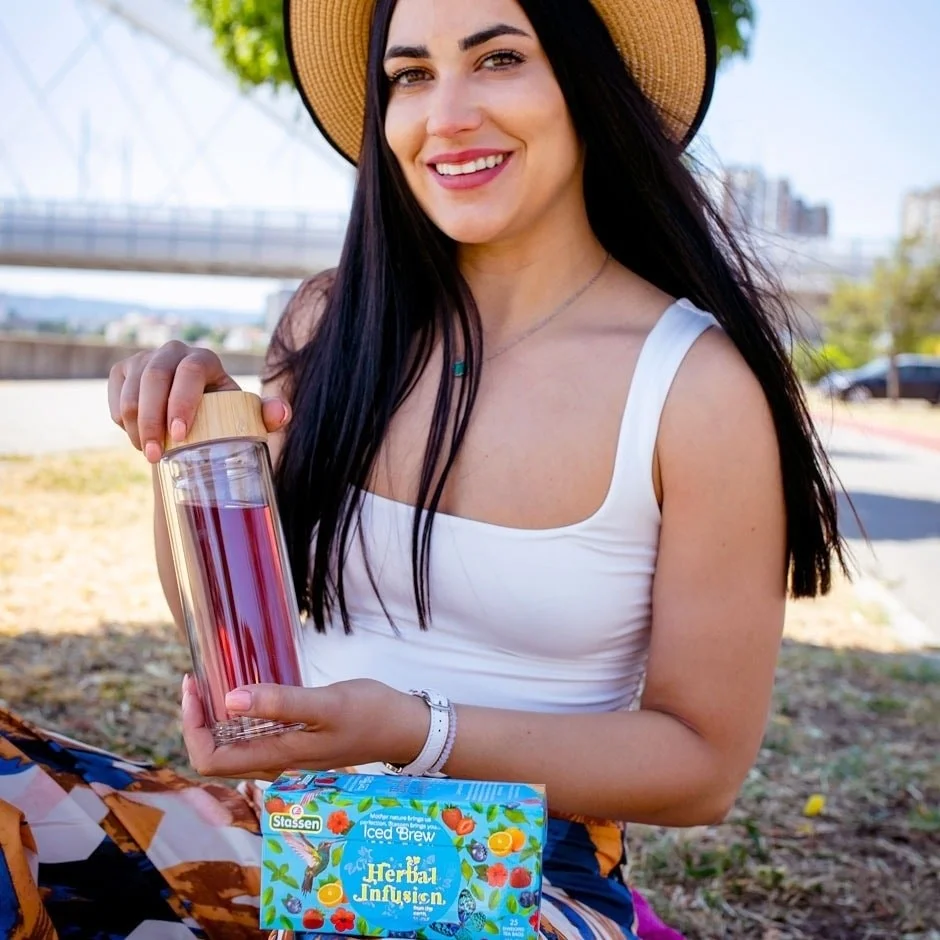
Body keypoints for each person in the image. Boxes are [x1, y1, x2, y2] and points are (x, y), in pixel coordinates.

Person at [0, 0, 847, 937]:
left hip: (524, 872)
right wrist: (193, 445)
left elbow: (703, 769)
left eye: (499, 59)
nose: (446, 116)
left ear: (585, 82)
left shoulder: (694, 388)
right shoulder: (328, 326)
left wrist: (415, 731)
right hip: (289, 842)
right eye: (410, 75)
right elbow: (241, 645)